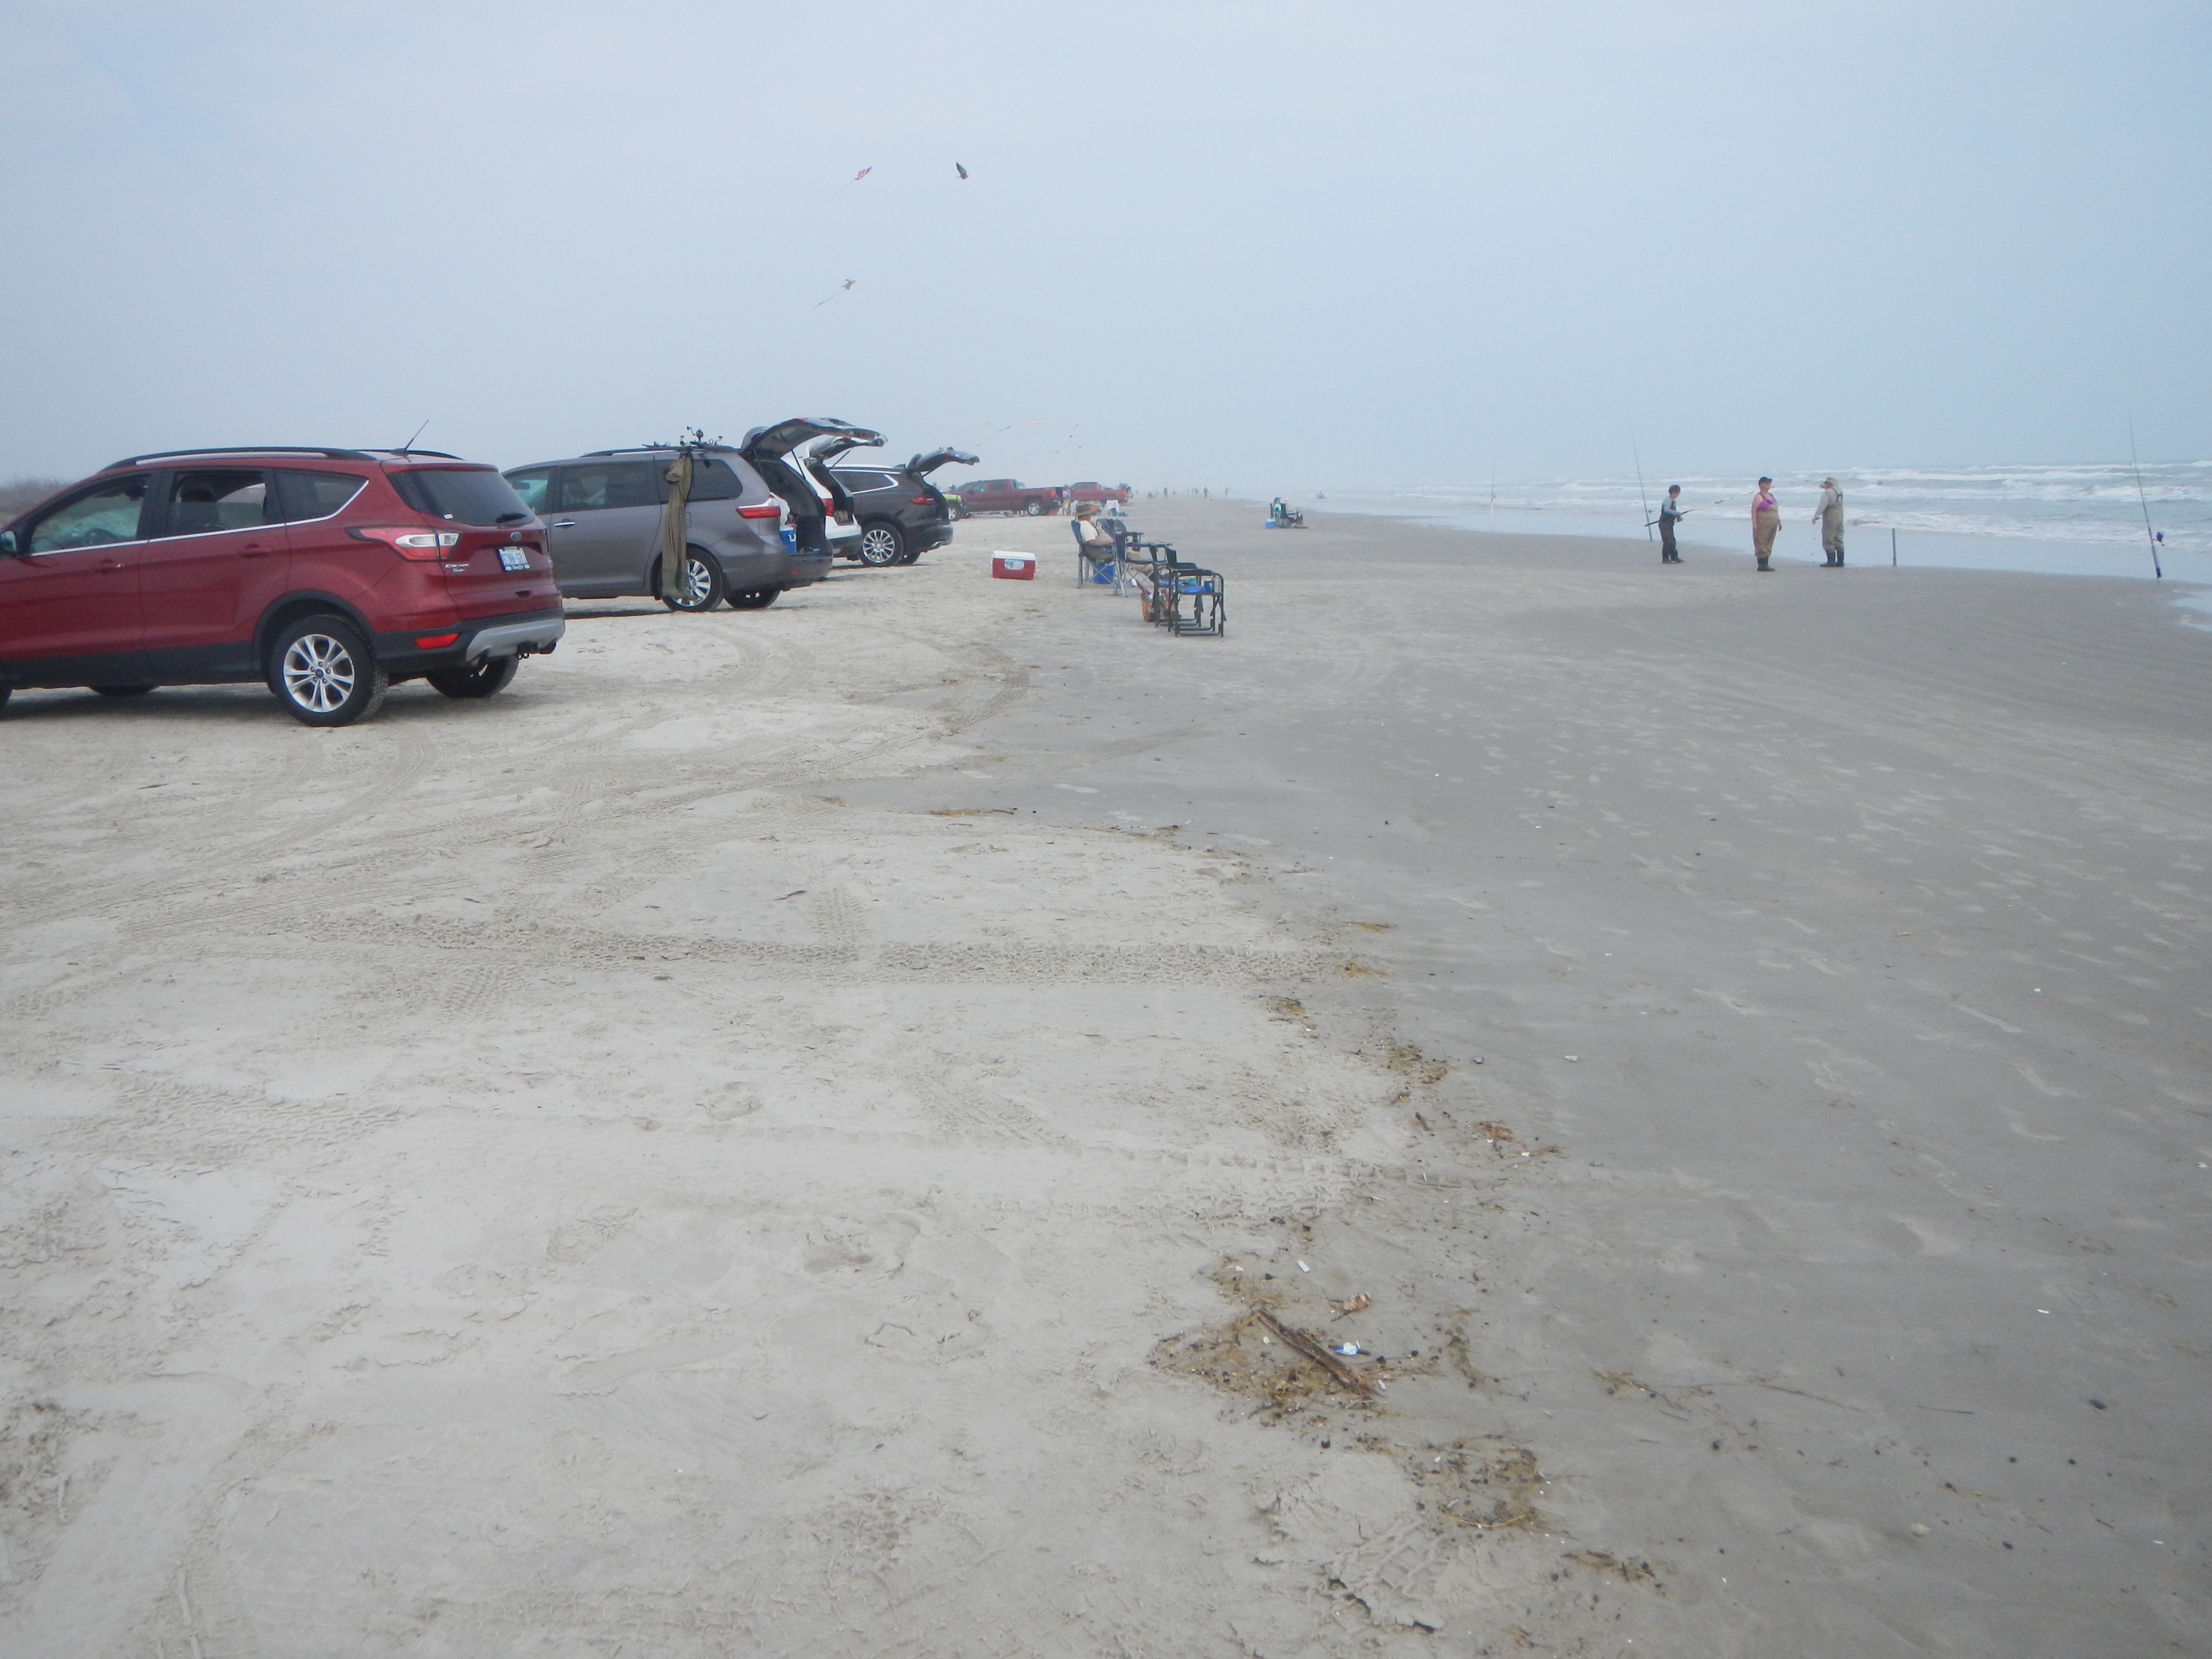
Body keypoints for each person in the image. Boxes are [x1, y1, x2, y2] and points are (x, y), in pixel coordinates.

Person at [1813, 477, 1845, 566]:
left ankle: (1831, 561)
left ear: (1829, 484)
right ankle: (1840, 561)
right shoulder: (1839, 491)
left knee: (1828, 537)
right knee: (1839, 537)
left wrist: (1816, 516)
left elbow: (1823, 505)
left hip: (1830, 516)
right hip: (1840, 516)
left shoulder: (1828, 493)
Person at [1751, 477, 1780, 571]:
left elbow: (1776, 511)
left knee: (1769, 543)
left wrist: (1779, 522)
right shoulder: (1758, 497)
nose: (1768, 484)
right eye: (1766, 483)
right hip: (1762, 524)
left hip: (1773, 524)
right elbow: (1753, 511)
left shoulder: (1771, 496)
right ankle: (1761, 565)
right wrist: (1755, 525)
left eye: (1769, 483)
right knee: (1761, 542)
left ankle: (1766, 563)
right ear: (1761, 485)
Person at [1657, 484, 1685, 564]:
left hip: (1670, 524)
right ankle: (1665, 559)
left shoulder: (1674, 502)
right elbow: (1667, 510)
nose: (1678, 495)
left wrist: (1678, 517)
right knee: (1668, 541)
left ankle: (1674, 557)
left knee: (1672, 541)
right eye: (1677, 493)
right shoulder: (1668, 501)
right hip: (1664, 523)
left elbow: (1673, 513)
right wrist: (1677, 513)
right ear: (1673, 492)